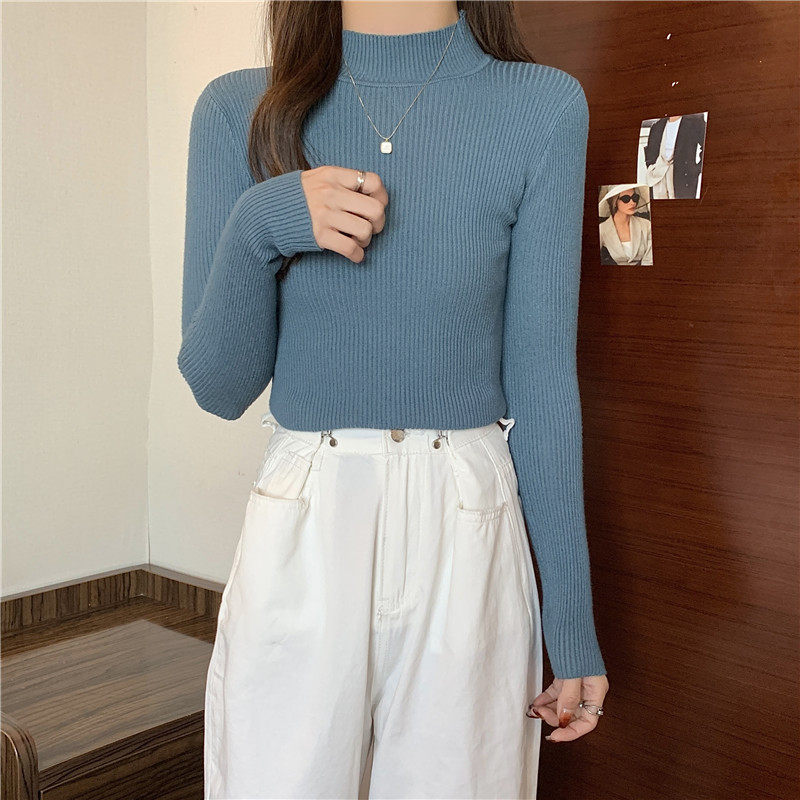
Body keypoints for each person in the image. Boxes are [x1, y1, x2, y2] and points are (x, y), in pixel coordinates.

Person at [178, 2, 610, 797]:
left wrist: (572, 625)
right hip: (308, 511)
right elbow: (217, 386)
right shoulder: (238, 109)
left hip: (467, 514)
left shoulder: (542, 106)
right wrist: (263, 221)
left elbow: (544, 381)